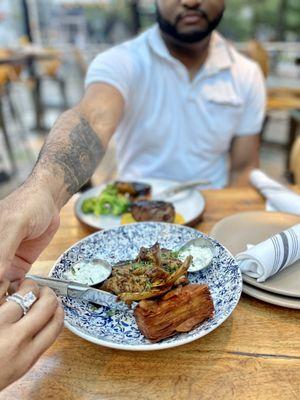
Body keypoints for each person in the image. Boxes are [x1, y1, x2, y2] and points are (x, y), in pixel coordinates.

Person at [0, 0, 266, 390]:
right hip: (123, 223)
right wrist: (41, 189)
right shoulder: (122, 61)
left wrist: (236, 229)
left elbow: (244, 169)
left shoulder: (247, 74)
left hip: (212, 222)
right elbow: (91, 119)